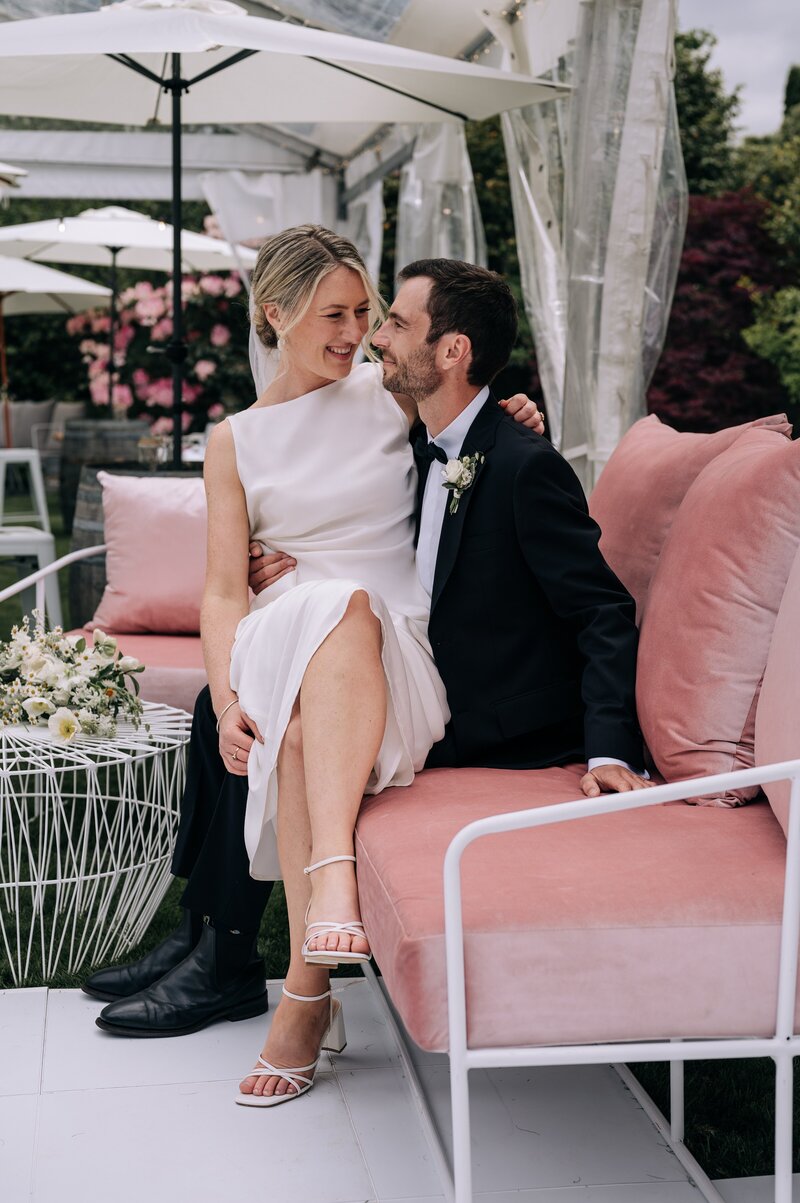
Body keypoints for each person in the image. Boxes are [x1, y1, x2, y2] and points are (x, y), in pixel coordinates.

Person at [82, 227, 544, 1054]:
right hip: (287, 641)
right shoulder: (235, 440)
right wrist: (225, 701)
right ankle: (221, 942)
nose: (355, 332)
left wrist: (507, 412)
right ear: (276, 314)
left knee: (341, 604)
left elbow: (463, 417)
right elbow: (224, 588)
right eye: (334, 313)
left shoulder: (388, 392)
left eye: (365, 312)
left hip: (388, 653)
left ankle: (234, 952)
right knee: (243, 697)